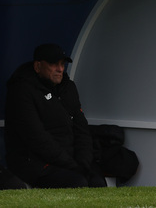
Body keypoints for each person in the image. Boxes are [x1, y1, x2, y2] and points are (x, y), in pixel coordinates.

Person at [4, 44, 106, 189]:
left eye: (62, 64)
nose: (60, 69)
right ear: (38, 66)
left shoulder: (68, 88)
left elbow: (82, 130)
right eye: (53, 64)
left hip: (71, 161)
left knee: (97, 182)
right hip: (34, 162)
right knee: (78, 182)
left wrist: (83, 163)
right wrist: (73, 166)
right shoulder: (21, 90)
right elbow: (36, 138)